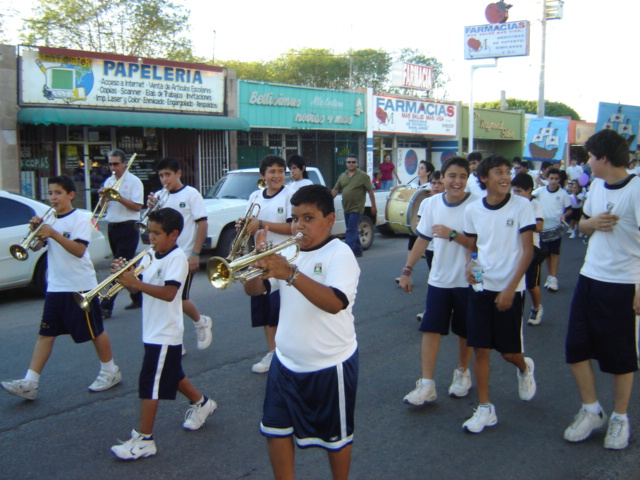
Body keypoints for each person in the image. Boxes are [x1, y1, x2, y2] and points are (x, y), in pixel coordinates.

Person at [243, 184, 360, 480]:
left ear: (329, 220)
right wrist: (256, 265)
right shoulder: (288, 251)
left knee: (335, 441)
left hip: (329, 364)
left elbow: (335, 303)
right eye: (295, 218)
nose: (298, 226)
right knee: (275, 432)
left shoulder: (340, 253)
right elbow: (255, 291)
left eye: (308, 218)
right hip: (284, 362)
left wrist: (290, 273)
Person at [1, 175, 121, 400]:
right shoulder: (50, 219)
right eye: (50, 193)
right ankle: (30, 382)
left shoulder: (81, 218)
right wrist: (36, 231)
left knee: (95, 331)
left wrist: (53, 234)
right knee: (46, 334)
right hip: (56, 286)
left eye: (58, 193)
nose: (53, 198)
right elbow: (36, 247)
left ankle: (110, 370)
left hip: (80, 285)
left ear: (71, 195)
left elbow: (79, 250)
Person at [110, 208, 216, 460]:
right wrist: (125, 278)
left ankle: (145, 440)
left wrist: (136, 283)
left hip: (165, 332)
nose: (151, 238)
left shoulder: (177, 259)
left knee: (150, 384)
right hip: (151, 329)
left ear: (174, 234)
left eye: (157, 233)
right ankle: (202, 403)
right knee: (171, 374)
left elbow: (170, 293)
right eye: (150, 232)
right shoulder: (150, 254)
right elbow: (138, 291)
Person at [563, 129, 640, 450]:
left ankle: (620, 417)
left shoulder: (636, 190)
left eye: (591, 157)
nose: (588, 163)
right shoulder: (595, 186)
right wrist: (590, 224)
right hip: (590, 277)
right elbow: (582, 223)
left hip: (623, 284)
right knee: (576, 348)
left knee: (621, 356)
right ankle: (592, 410)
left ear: (604, 158)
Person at [462, 154, 537, 433]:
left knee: (508, 352)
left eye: (507, 172)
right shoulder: (473, 210)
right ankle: (485, 409)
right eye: (498, 172)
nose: (506, 177)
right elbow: (472, 246)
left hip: (511, 290)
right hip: (481, 288)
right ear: (484, 178)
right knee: (480, 348)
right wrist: (469, 264)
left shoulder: (522, 206)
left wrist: (509, 288)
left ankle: (525, 367)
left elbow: (528, 251)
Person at [399, 157, 476, 405]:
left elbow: (482, 244)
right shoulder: (432, 203)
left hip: (467, 281)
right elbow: (422, 239)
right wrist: (407, 271)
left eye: (463, 176)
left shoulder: (476, 204)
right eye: (452, 176)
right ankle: (427, 384)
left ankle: (462, 373)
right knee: (430, 329)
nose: (457, 181)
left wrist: (452, 234)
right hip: (439, 280)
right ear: (442, 178)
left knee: (464, 331)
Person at [148, 158, 212, 351]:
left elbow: (202, 224)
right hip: (163, 254)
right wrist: (151, 208)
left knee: (179, 298)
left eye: (168, 174)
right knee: (169, 300)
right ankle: (175, 341)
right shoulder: (159, 196)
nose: (164, 179)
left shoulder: (191, 194)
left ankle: (200, 322)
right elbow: (153, 226)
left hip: (183, 254)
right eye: (161, 176)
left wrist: (195, 253)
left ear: (178, 174)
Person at [241, 155, 294, 373]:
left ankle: (288, 353)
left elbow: (292, 228)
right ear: (263, 175)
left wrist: (261, 223)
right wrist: (244, 226)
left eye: (281, 171)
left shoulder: (290, 195)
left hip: (284, 259)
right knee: (265, 310)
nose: (277, 176)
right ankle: (273, 352)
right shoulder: (255, 196)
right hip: (260, 258)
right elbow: (250, 225)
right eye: (272, 171)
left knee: (282, 311)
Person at [98, 149, 144, 319]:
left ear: (124, 164)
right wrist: (103, 197)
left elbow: (137, 207)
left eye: (116, 164)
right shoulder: (109, 181)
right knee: (127, 265)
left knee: (117, 267)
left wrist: (118, 198)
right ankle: (139, 297)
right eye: (110, 164)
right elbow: (103, 207)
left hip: (128, 227)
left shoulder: (134, 181)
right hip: (113, 227)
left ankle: (106, 306)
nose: (113, 168)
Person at [511, 173, 545, 326]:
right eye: (514, 191)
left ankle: (537, 307)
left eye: (519, 191)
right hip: (515, 247)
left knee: (531, 284)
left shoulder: (535, 205)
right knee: (516, 280)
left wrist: (523, 221)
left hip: (532, 248)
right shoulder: (512, 203)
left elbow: (539, 227)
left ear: (529, 190)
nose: (515, 194)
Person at [533, 167, 572, 292]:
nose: (553, 181)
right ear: (547, 179)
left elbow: (569, 209)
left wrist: (564, 215)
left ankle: (553, 278)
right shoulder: (540, 191)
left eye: (556, 179)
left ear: (559, 180)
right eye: (551, 178)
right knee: (546, 254)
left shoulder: (563, 194)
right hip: (542, 227)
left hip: (556, 227)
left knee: (554, 253)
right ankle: (550, 277)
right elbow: (529, 198)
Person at [332, 154, 377, 258]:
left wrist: (373, 206)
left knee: (350, 230)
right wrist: (327, 201)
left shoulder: (363, 176)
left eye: (353, 162)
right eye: (349, 162)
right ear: (346, 164)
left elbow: (370, 191)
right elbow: (335, 190)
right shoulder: (342, 176)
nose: (351, 164)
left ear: (357, 164)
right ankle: (358, 250)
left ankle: (346, 254)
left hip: (357, 208)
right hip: (346, 207)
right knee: (352, 229)